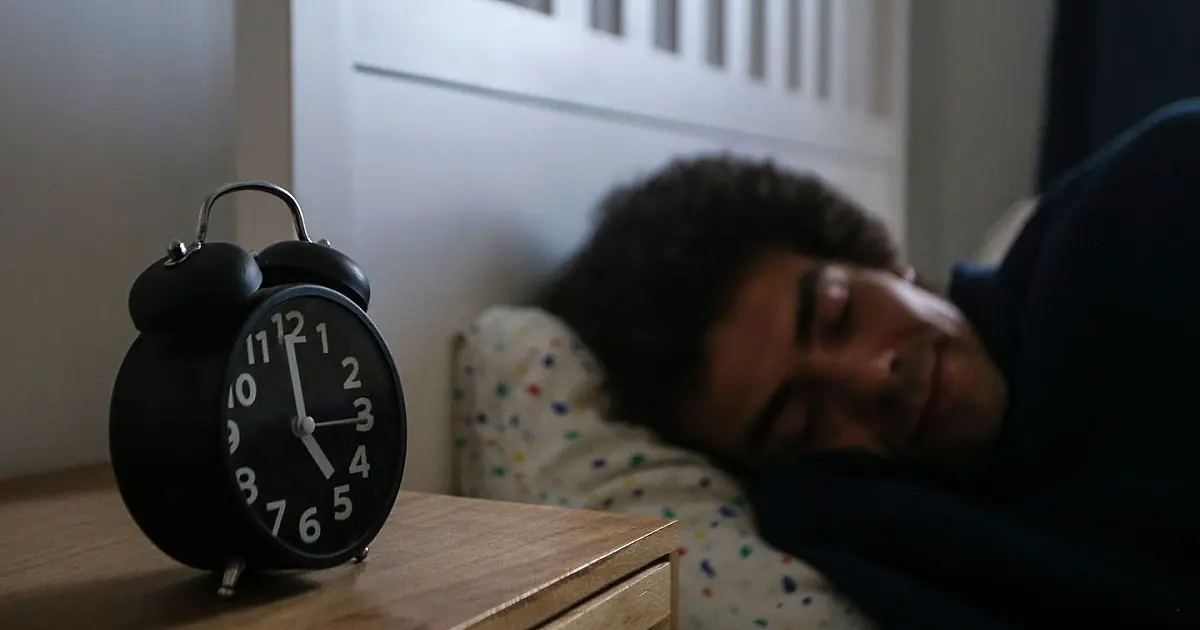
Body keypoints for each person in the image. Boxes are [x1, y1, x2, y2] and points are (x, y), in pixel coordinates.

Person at [538, 99, 1200, 628]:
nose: (871, 377)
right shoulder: (868, 527)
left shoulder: (1149, 200)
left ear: (882, 262)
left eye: (838, 313)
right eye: (803, 421)